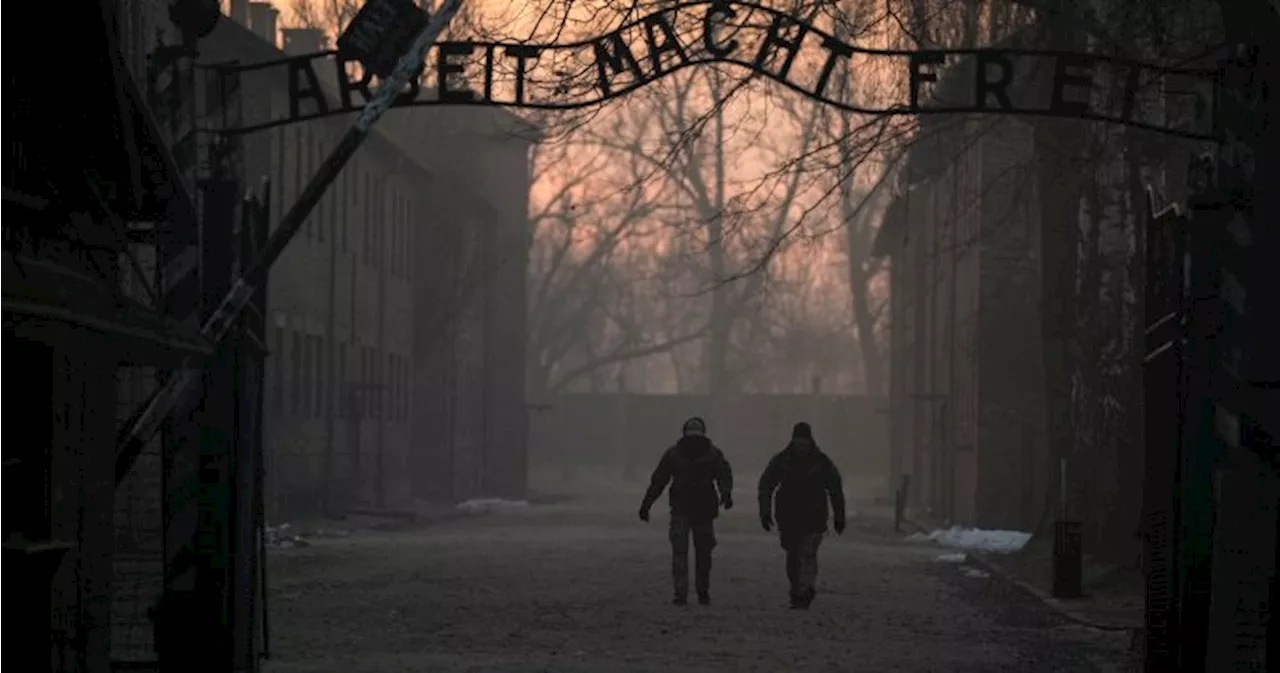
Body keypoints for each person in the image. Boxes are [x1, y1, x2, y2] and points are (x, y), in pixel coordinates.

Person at [638, 416, 734, 606]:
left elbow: (659, 481)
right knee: (703, 554)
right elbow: (724, 476)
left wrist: (647, 504)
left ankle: (681, 593)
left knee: (680, 554)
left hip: (681, 508)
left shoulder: (674, 454)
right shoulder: (713, 454)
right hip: (704, 509)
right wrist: (726, 495)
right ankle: (702, 591)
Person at [757, 422, 846, 609]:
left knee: (807, 554)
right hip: (790, 517)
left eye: (804, 443)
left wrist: (840, 516)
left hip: (813, 517)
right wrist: (765, 512)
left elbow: (835, 489)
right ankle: (798, 588)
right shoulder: (784, 461)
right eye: (799, 442)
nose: (801, 447)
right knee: (793, 556)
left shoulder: (820, 462)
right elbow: (766, 485)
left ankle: (804, 590)